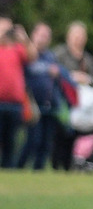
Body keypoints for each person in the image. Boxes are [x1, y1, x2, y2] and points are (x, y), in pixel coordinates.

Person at [17, 22, 72, 171]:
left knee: (46, 142)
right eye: (41, 35)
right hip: (32, 104)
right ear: (34, 35)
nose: (44, 38)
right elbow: (29, 69)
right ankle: (18, 168)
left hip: (49, 104)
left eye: (47, 36)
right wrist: (48, 69)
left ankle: (38, 170)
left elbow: (61, 74)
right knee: (33, 140)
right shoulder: (27, 53)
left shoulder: (50, 56)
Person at [51, 20, 93, 171]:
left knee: (76, 135)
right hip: (63, 99)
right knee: (61, 132)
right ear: (68, 36)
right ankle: (56, 165)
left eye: (81, 35)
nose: (78, 38)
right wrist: (71, 76)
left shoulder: (87, 58)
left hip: (81, 102)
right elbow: (54, 72)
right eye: (75, 35)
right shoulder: (59, 53)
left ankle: (69, 165)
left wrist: (87, 79)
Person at [0, 17, 37, 169]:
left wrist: (24, 38)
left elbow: (32, 56)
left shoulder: (18, 49)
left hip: (15, 103)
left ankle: (8, 168)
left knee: (11, 140)